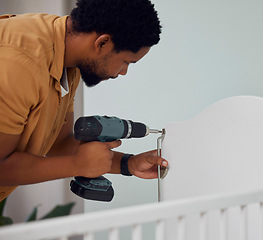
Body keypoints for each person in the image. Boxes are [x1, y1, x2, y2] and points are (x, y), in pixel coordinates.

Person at [0, 0, 168, 202]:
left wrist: (128, 164)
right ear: (102, 42)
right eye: (126, 62)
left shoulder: (66, 59)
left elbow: (59, 143)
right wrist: (78, 164)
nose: (123, 72)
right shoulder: (18, 63)